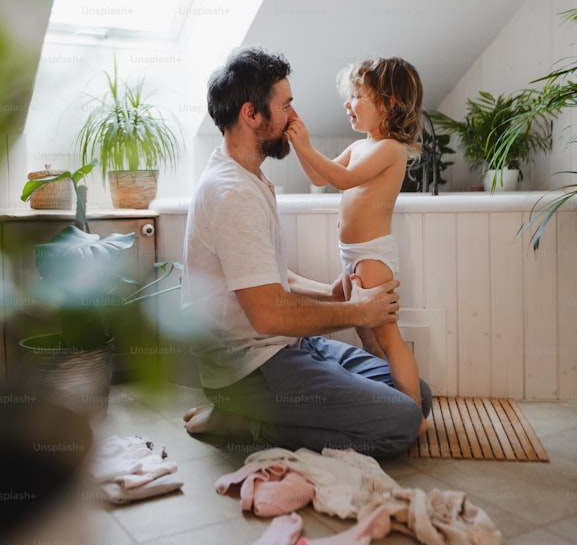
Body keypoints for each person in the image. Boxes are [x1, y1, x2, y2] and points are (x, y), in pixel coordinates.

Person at [181, 46, 432, 458]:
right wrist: (358, 312)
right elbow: (268, 314)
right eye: (287, 106)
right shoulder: (232, 194)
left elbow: (271, 275)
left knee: (415, 396)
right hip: (254, 367)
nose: (294, 117)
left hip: (288, 346)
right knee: (403, 421)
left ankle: (269, 412)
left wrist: (330, 294)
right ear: (252, 115)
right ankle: (249, 420)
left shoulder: (249, 177)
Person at [284, 58, 426, 423]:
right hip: (352, 255)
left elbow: (344, 180)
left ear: (389, 103)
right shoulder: (363, 144)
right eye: (349, 97)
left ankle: (412, 413)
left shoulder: (390, 149)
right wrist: (301, 147)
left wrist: (308, 145)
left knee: (389, 338)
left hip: (372, 257)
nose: (348, 104)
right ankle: (387, 404)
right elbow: (320, 176)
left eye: (358, 96)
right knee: (368, 338)